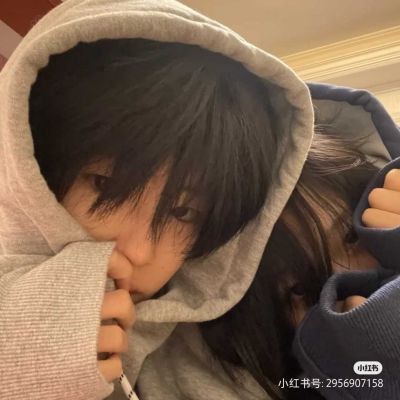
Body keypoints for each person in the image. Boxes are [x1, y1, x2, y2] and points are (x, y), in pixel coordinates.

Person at [0, 1, 314, 399]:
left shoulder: (231, 354)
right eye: (106, 185)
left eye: (184, 212)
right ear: (30, 164)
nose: (138, 252)